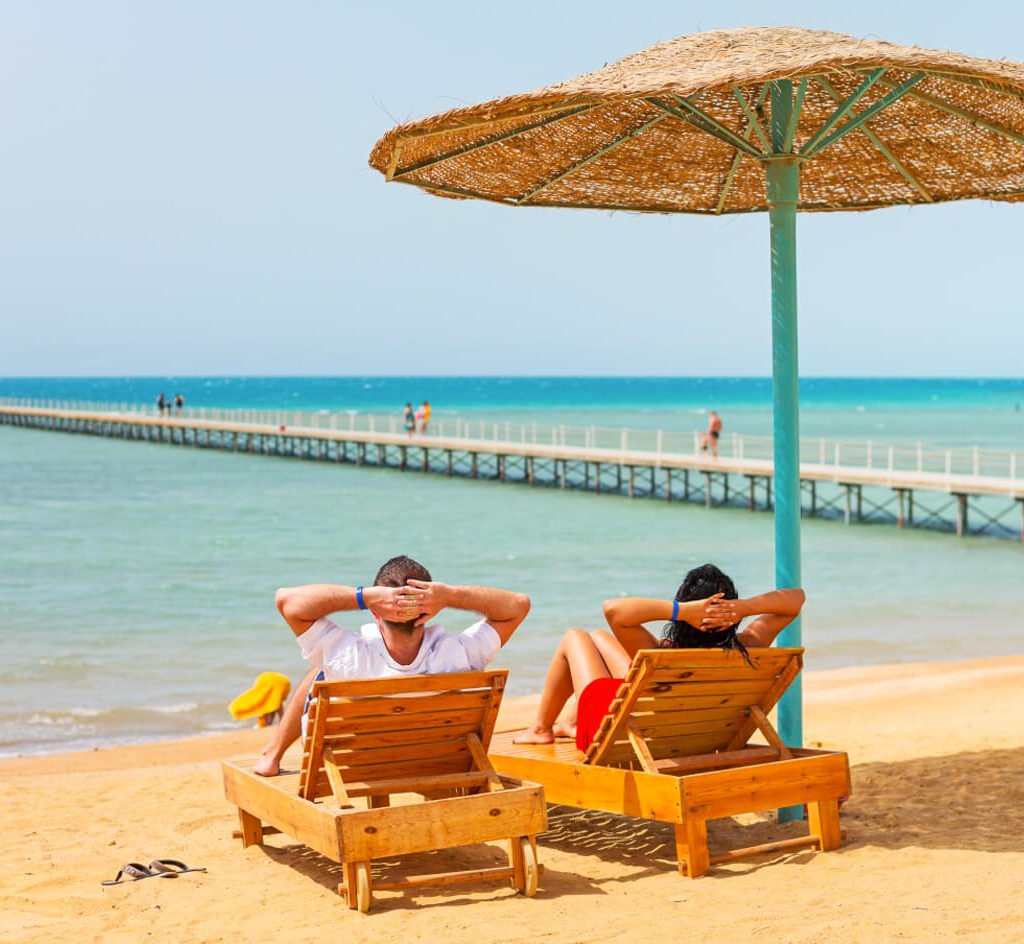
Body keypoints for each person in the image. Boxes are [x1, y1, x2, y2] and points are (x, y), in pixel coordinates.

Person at [254, 555, 530, 776]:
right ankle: (272, 753)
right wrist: (450, 596)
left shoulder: (345, 657)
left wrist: (363, 597)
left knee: (322, 672)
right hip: (435, 759)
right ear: (428, 611)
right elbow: (518, 605)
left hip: (354, 765)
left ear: (376, 611)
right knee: (325, 668)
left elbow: (286, 600)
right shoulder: (460, 656)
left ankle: (272, 754)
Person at [513, 563, 805, 750]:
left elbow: (613, 609)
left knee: (575, 637)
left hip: (630, 740)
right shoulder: (750, 645)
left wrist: (681, 611)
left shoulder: (659, 654)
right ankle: (567, 723)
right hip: (696, 736)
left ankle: (541, 728)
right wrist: (745, 607)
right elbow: (796, 599)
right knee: (599, 637)